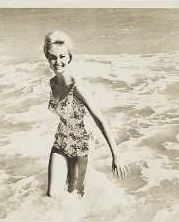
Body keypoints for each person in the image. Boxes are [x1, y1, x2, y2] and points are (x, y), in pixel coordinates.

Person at [45, 31, 128, 197]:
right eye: (53, 57)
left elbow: (100, 120)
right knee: (52, 195)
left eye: (62, 56)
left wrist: (116, 155)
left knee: (74, 196)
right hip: (61, 141)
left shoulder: (77, 87)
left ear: (69, 58)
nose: (58, 62)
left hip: (81, 145)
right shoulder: (52, 83)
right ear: (47, 57)